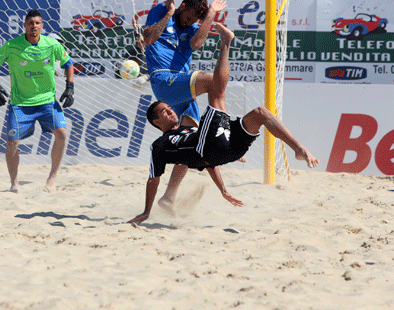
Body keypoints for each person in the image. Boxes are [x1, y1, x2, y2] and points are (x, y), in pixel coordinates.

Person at [128, 24, 319, 225]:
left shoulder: (187, 129)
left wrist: (223, 190)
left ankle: (299, 149)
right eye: (165, 112)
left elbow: (209, 163)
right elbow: (153, 179)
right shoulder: (159, 145)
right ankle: (226, 42)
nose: (170, 111)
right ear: (156, 122)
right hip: (210, 148)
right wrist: (146, 212)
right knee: (215, 92)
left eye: (169, 108)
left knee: (260, 113)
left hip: (228, 151)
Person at [143, 0, 227, 212]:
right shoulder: (163, 11)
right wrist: (169, 13)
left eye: (195, 20)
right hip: (164, 80)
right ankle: (223, 128)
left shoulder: (192, 30)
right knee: (211, 80)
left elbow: (198, 44)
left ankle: (169, 197)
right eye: (189, 17)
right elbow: (149, 38)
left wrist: (210, 14)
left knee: (189, 142)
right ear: (182, 6)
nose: (190, 22)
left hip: (181, 86)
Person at [0, 9, 75, 193]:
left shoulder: (51, 44)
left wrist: (70, 87)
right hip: (20, 103)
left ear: (42, 26)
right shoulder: (12, 45)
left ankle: (52, 177)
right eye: (30, 23)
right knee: (12, 143)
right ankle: (14, 183)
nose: (33, 26)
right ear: (25, 25)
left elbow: (69, 64)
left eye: (37, 23)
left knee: (62, 133)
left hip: (47, 101)